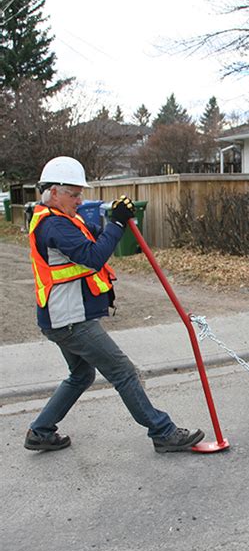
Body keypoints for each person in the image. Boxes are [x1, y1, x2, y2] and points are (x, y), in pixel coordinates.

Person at [24, 156, 204, 453]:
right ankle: (163, 432)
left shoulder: (64, 219)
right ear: (53, 192)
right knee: (123, 371)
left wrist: (114, 215)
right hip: (70, 321)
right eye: (74, 193)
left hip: (60, 318)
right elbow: (93, 256)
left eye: (80, 193)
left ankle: (40, 431)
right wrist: (118, 223)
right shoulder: (54, 226)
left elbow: (96, 234)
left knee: (82, 375)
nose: (80, 200)